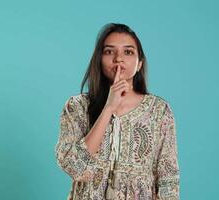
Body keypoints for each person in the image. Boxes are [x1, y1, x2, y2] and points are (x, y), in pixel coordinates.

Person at [54, 23, 180, 200]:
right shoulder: (77, 106)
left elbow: (168, 180)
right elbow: (74, 167)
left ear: (139, 64)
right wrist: (109, 108)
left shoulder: (159, 111)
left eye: (128, 52)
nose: (118, 58)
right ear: (99, 59)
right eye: (109, 52)